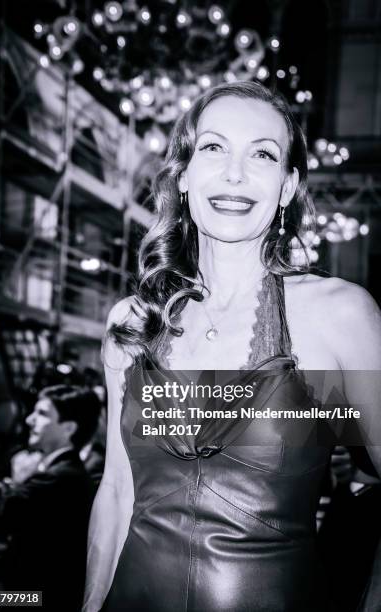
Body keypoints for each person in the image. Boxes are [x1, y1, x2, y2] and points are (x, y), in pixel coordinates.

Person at [83, 82, 381, 612]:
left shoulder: (340, 316)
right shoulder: (133, 322)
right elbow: (116, 490)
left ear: (287, 187)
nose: (235, 174)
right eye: (214, 147)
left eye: (262, 154)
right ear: (184, 174)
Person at [0, 385, 101, 611]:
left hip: (36, 599)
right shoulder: (66, 472)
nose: (29, 420)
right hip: (40, 595)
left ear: (69, 427)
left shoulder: (60, 478)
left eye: (42, 414)